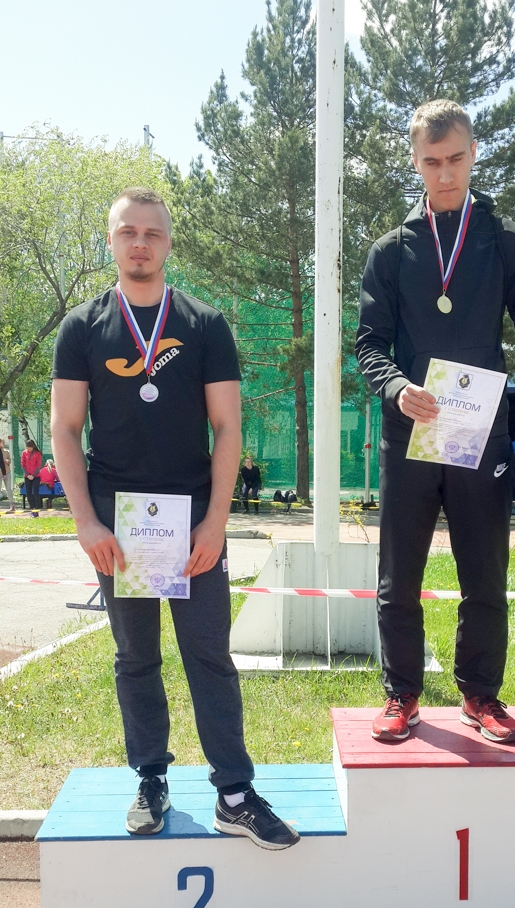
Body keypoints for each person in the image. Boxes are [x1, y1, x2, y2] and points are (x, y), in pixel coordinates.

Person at [51, 187, 298, 848]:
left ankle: (234, 794)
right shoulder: (82, 328)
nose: (140, 243)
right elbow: (65, 430)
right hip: (119, 522)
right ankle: (151, 780)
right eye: (128, 232)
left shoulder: (206, 324)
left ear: (167, 241)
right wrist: (86, 522)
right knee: (136, 658)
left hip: (192, 523)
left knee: (209, 656)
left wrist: (216, 522)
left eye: (152, 233)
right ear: (111, 240)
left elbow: (227, 428)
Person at [355, 100, 515, 745]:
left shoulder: (504, 241)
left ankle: (480, 696)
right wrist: (397, 388)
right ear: (415, 162)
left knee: (485, 576)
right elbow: (369, 344)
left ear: (474, 154)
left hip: (482, 433)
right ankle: (402, 695)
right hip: (411, 434)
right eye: (431, 162)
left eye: (455, 159)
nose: (444, 174)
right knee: (399, 578)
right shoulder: (391, 251)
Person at [21, 439, 43, 517]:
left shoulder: (38, 454)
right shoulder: (24, 453)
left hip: (36, 476)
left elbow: (38, 466)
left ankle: (36, 511)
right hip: (27, 476)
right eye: (27, 448)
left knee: (36, 493)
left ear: (33, 446)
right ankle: (32, 509)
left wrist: (33, 475)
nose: (28, 449)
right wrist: (27, 475)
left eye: (30, 448)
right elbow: (23, 464)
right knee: (28, 493)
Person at [0, 438, 15, 510]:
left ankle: (12, 504)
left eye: (4, 442)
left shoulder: (6, 451)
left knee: (8, 489)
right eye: (2, 442)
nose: (4, 444)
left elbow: (10, 460)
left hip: (7, 472)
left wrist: (8, 461)